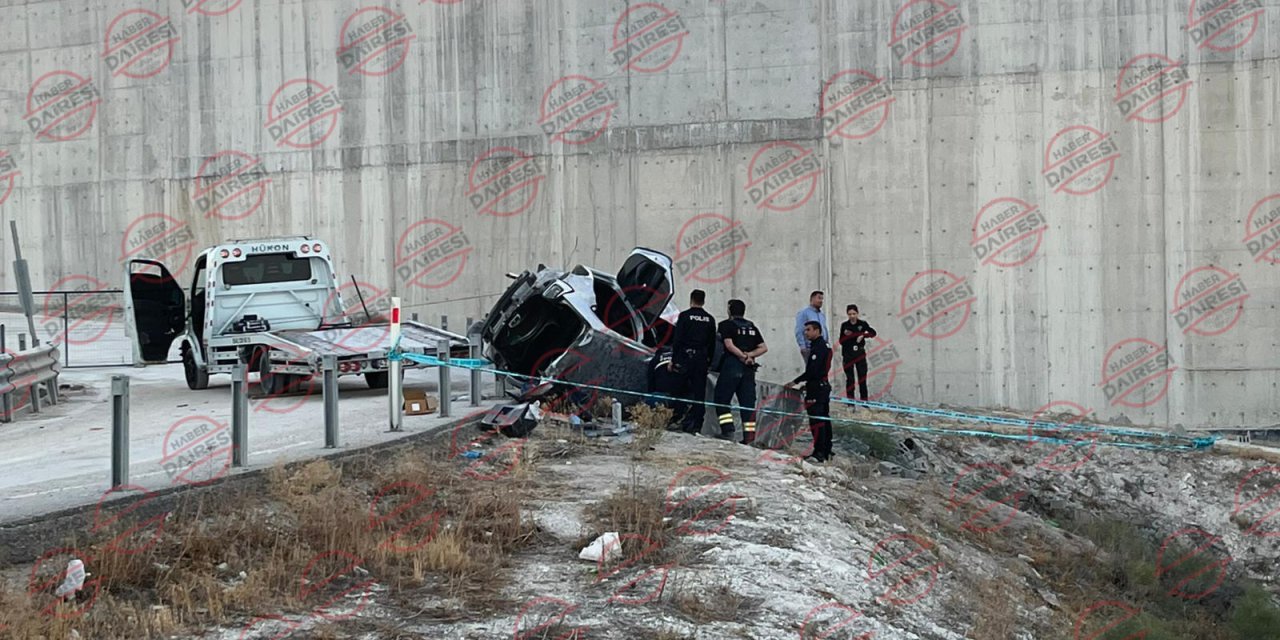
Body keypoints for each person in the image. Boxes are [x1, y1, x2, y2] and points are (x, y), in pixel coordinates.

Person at [713, 299, 768, 443]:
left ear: (730, 310)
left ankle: (728, 430)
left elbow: (729, 345)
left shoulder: (726, 325)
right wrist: (750, 356)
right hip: (749, 369)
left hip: (732, 365)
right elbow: (763, 347)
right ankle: (749, 438)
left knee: (721, 398)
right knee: (747, 403)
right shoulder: (751, 327)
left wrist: (743, 356)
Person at [785, 320, 833, 463]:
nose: (805, 333)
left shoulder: (819, 347)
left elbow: (813, 371)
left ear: (817, 331)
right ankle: (826, 450)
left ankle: (820, 452)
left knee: (817, 421)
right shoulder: (821, 346)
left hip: (817, 389)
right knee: (824, 419)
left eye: (808, 330)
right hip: (819, 386)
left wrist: (796, 381)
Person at [671, 289, 716, 433]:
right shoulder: (710, 319)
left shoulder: (684, 316)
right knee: (699, 394)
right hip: (701, 360)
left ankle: (677, 419)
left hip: (685, 358)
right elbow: (712, 343)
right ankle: (697, 425)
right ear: (703, 301)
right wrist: (708, 362)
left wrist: (674, 360)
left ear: (691, 300)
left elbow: (677, 339)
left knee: (679, 390)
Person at [838, 304, 878, 402]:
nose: (852, 316)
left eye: (854, 314)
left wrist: (863, 335)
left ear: (857, 313)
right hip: (848, 354)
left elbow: (873, 333)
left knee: (862, 379)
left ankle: (864, 402)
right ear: (847, 314)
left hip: (859, 353)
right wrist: (848, 337)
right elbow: (841, 341)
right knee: (850, 380)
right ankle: (850, 403)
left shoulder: (862, 324)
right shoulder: (845, 325)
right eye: (850, 314)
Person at [646, 345, 686, 427]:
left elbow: (650, 383)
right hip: (681, 399)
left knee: (649, 400)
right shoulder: (681, 357)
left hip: (659, 397)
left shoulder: (655, 360)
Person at [794, 290, 828, 364]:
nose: (821, 301)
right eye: (819, 298)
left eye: (822, 299)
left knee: (822, 371)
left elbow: (824, 329)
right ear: (812, 299)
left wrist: (827, 343)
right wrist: (803, 347)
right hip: (810, 347)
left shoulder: (821, 315)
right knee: (812, 371)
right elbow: (799, 330)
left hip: (822, 346)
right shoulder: (804, 313)